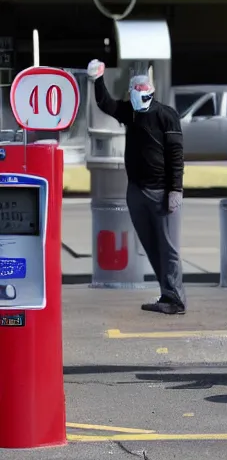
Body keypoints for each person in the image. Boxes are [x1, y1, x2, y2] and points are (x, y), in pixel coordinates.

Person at [87, 59, 186, 315]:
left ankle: (175, 298)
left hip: (162, 192)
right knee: (151, 245)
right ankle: (167, 294)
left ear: (150, 92)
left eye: (141, 90)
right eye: (134, 91)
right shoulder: (130, 113)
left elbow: (176, 154)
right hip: (137, 191)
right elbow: (105, 104)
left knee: (168, 247)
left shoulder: (166, 115)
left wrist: (175, 189)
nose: (137, 94)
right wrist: (97, 79)